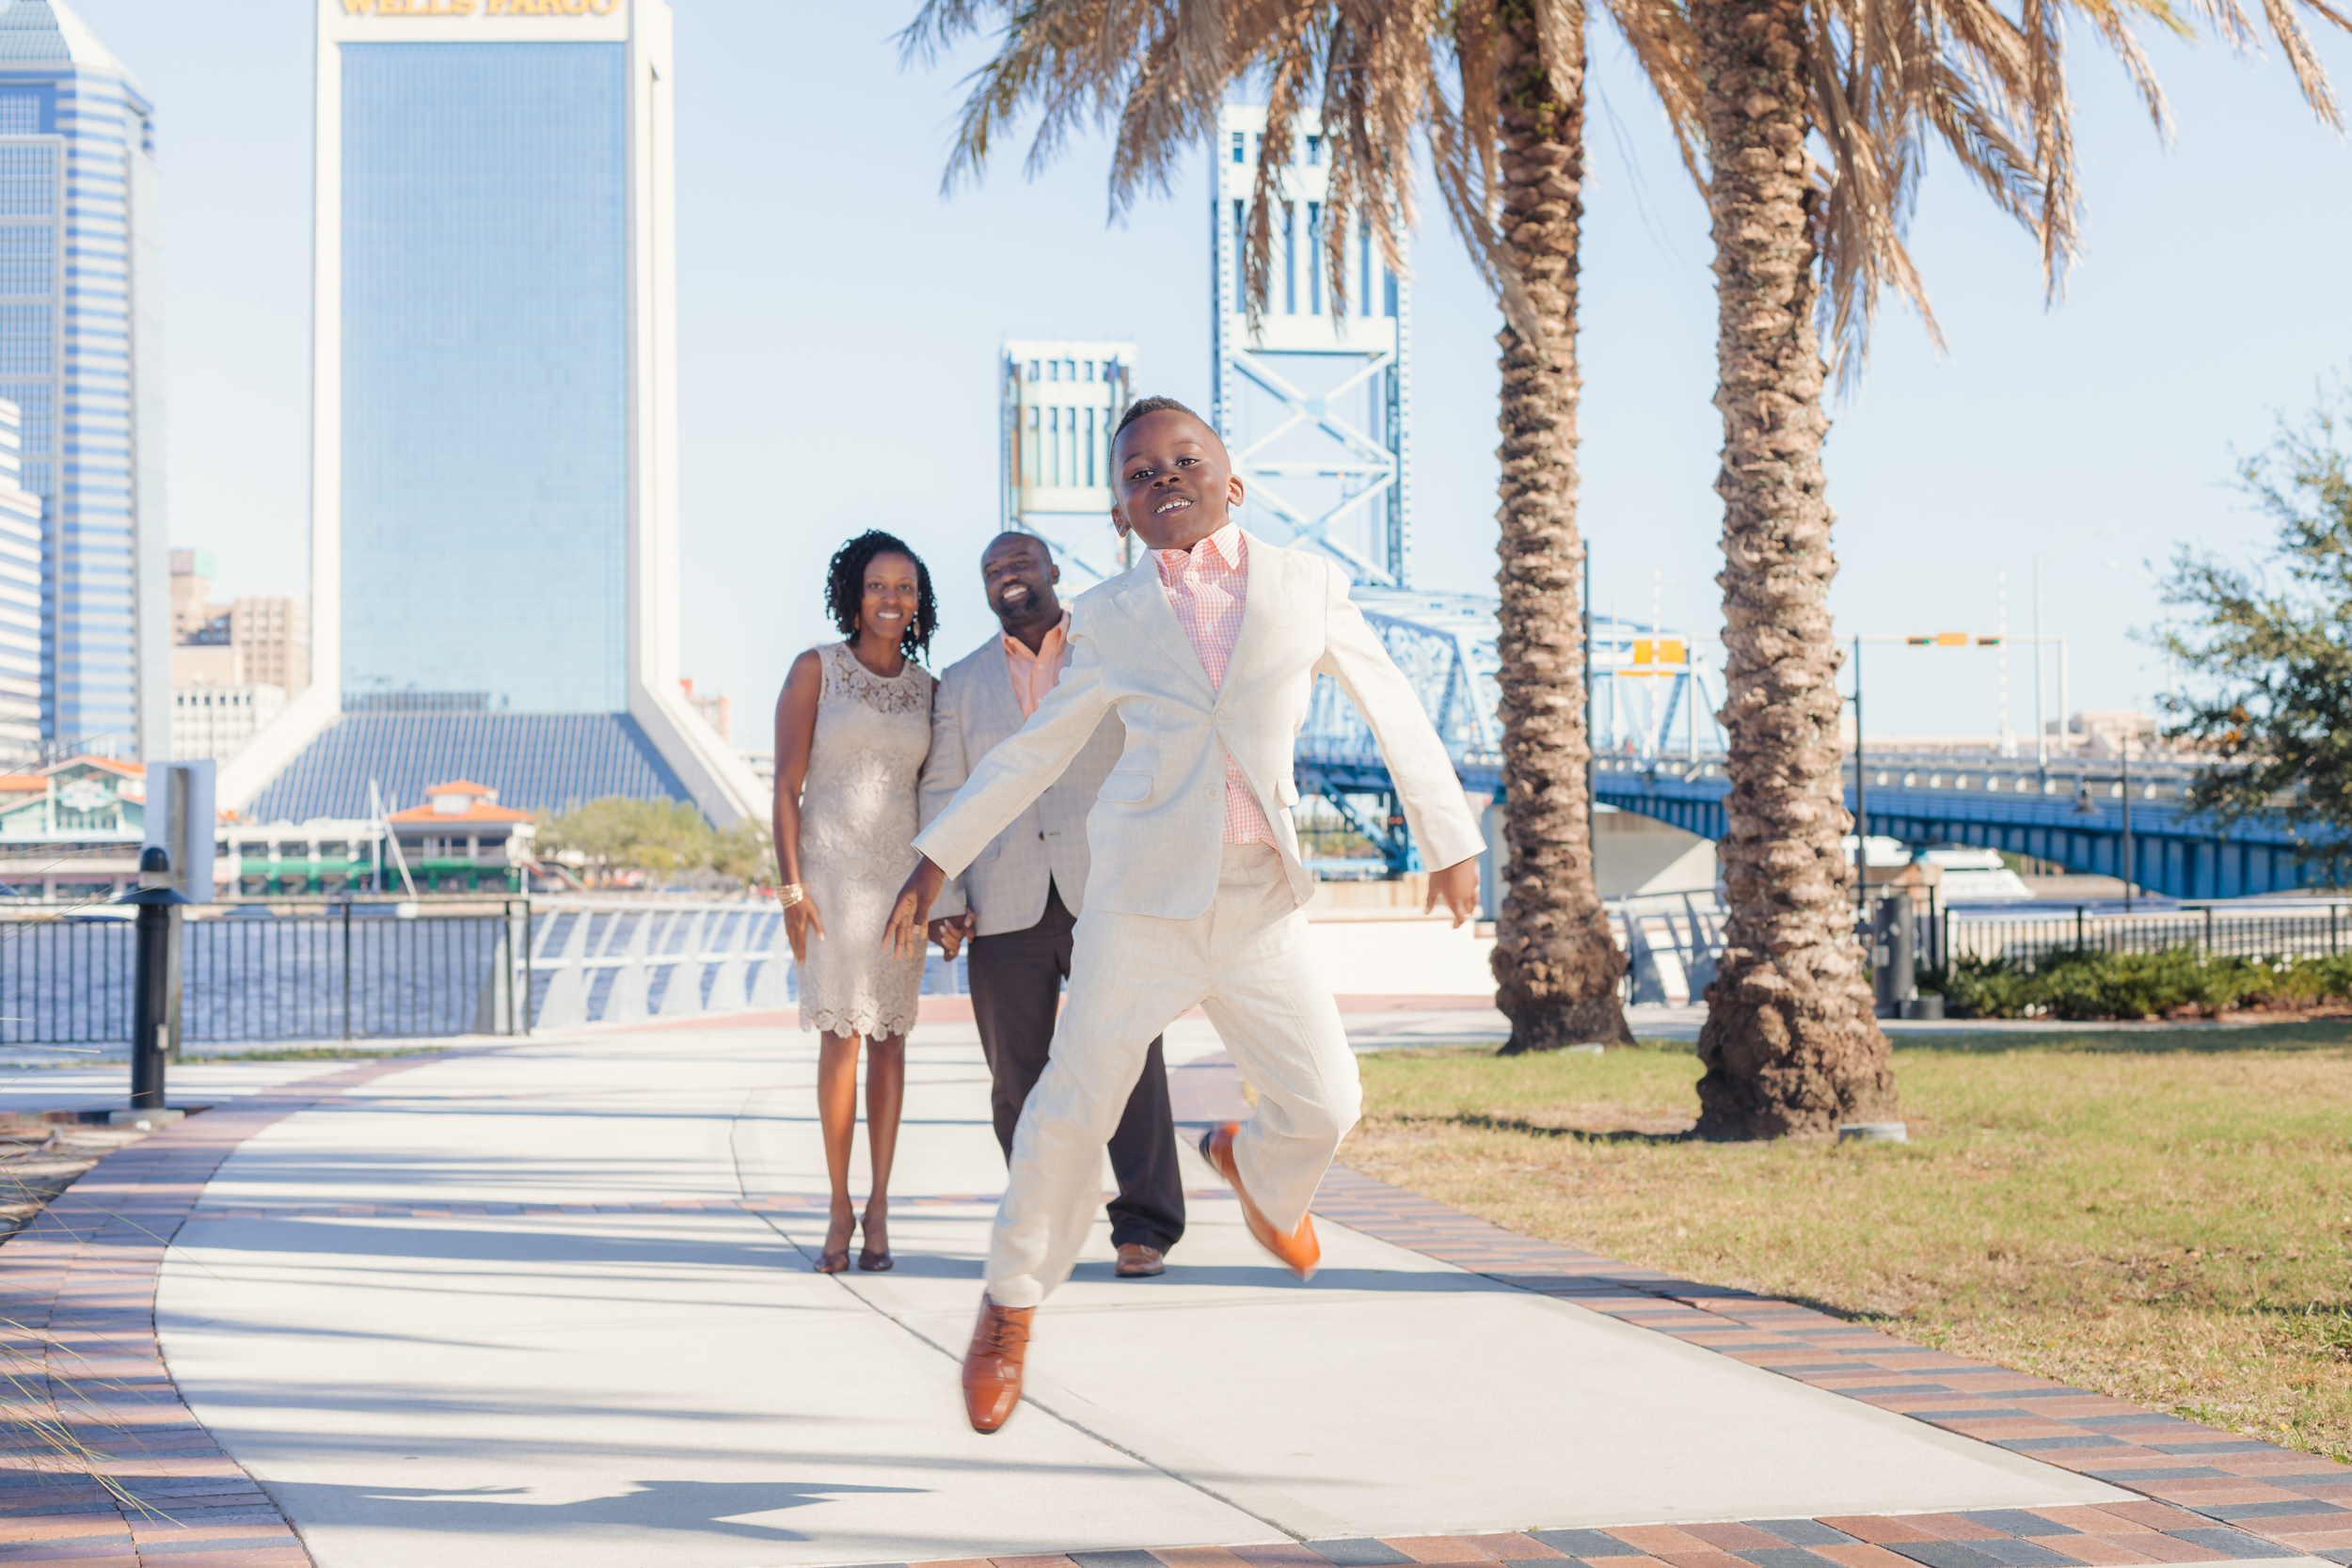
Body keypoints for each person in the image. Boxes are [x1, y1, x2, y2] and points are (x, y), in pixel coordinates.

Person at [883, 399, 1484, 1433]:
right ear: (1120, 511)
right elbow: (1036, 750)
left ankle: (1255, 1167)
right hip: (1139, 905)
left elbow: (1393, 703)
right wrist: (932, 860)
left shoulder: (1305, 585)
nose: (1162, 477)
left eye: (1183, 459)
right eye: (1136, 473)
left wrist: (1451, 837)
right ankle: (1009, 1303)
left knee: (1329, 1104)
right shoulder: (1110, 616)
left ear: (1231, 480)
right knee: (1068, 1106)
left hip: (1258, 904)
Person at [919, 531, 1185, 1280]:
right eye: (992, 569)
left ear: (1053, 571)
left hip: (1108, 888)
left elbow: (1153, 752)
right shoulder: (962, 680)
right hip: (1003, 898)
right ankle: (1043, 1218)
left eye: (1019, 564)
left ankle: (1145, 1226)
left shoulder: (1110, 646)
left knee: (1130, 1058)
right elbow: (945, 787)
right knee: (1017, 1077)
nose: (1006, 577)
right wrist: (945, 891)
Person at [773, 531, 938, 1275]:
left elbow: (938, 797)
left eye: (905, 587)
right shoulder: (817, 669)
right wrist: (790, 888)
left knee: (892, 1041)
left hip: (901, 885)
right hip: (831, 881)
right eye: (878, 585)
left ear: (919, 600)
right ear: (854, 592)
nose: (891, 599)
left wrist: (943, 893)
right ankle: (839, 1205)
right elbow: (785, 785)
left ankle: (880, 1205)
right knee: (841, 1038)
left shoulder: (929, 690)